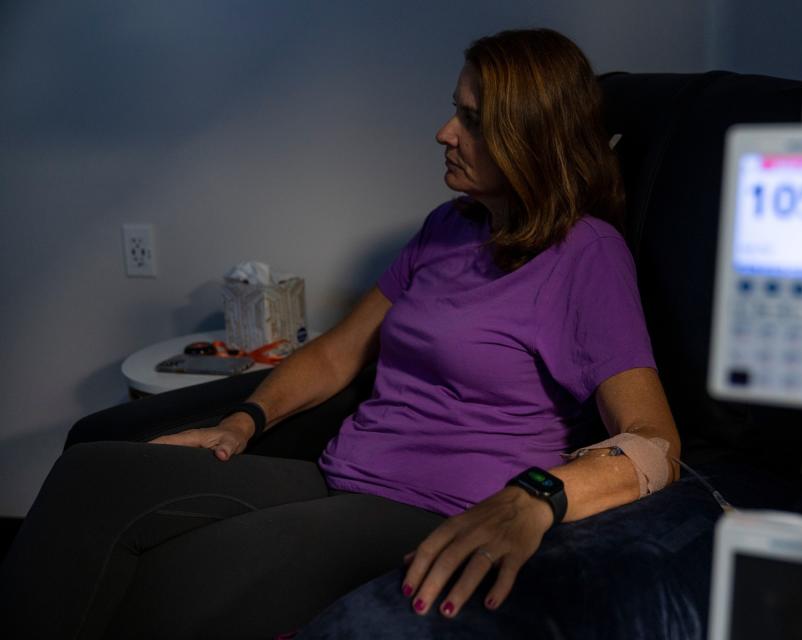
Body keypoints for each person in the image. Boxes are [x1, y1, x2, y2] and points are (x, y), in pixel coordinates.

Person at [0, 28, 680, 638]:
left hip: (434, 509)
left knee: (187, 577)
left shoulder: (587, 255)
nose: (445, 132)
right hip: (343, 474)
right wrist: (243, 421)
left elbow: (654, 443)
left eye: (471, 120)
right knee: (94, 472)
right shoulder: (450, 226)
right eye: (455, 109)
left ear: (529, 138)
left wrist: (537, 496)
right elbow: (336, 352)